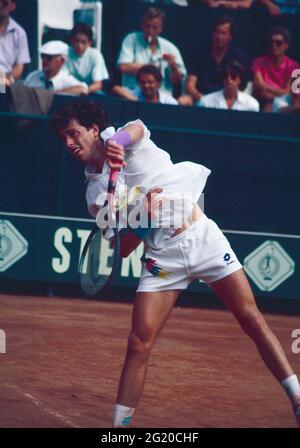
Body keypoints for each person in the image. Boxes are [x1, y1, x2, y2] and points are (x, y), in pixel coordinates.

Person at [50, 100, 300, 428]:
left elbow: (136, 129)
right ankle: (119, 430)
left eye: (73, 133)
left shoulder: (126, 137)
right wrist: (144, 219)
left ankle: (297, 398)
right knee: (138, 342)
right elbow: (123, 248)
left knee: (251, 318)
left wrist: (118, 144)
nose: (68, 143)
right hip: (161, 259)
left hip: (200, 236)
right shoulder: (95, 196)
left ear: (94, 130)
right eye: (63, 138)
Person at [116, 7, 186, 97]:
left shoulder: (170, 48)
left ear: (160, 28)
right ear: (142, 25)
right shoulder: (131, 39)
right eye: (147, 26)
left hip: (161, 94)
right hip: (134, 92)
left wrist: (173, 66)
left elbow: (177, 82)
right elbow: (122, 66)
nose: (150, 31)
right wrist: (150, 68)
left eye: (154, 28)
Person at [183, 16, 248, 105]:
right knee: (184, 101)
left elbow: (242, 86)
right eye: (216, 32)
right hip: (202, 98)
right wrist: (203, 99)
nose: (219, 37)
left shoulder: (238, 56)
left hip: (227, 99)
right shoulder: (199, 54)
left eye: (223, 33)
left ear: (230, 36)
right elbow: (190, 86)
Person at [252, 26, 300, 112]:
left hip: (286, 102)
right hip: (262, 100)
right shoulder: (258, 62)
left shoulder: (295, 66)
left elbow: (289, 92)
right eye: (271, 43)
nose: (274, 46)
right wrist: (279, 92)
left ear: (286, 45)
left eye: (278, 43)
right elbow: (258, 85)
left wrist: (269, 93)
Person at [24, 41, 88, 95]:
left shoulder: (66, 79)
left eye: (49, 58)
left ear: (62, 61)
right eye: (42, 56)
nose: (44, 60)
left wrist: (54, 94)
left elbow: (83, 89)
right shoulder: (33, 77)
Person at [65, 22, 109, 95]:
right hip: (69, 92)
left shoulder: (95, 55)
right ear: (71, 40)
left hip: (90, 94)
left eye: (83, 42)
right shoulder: (65, 53)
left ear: (90, 43)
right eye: (76, 41)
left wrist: (85, 91)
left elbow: (98, 84)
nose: (79, 45)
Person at [112, 64, 178, 104]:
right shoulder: (135, 94)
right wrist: (134, 100)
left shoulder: (168, 101)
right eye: (142, 82)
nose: (146, 85)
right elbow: (116, 89)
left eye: (150, 82)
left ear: (159, 83)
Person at [0, 0, 31, 86]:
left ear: (12, 6)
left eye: (4, 3)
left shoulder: (20, 33)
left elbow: (20, 65)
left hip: (5, 81)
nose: (0, 5)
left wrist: (8, 80)